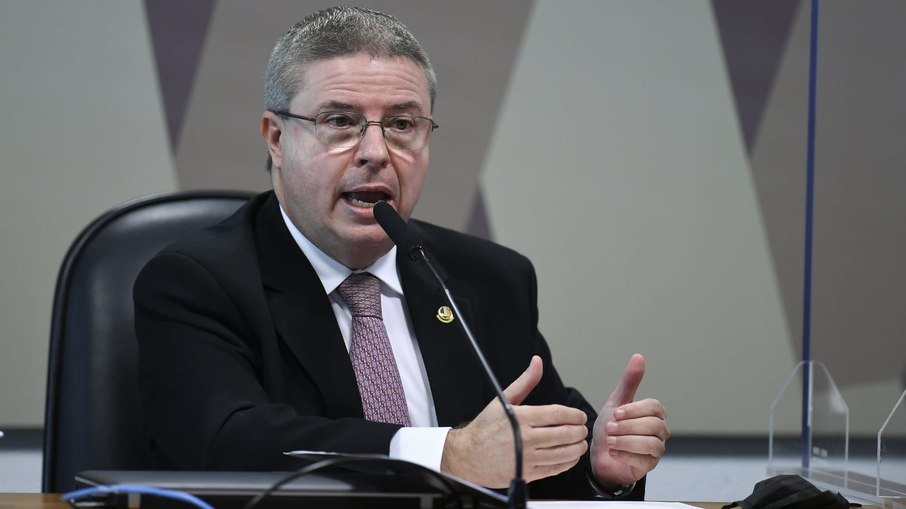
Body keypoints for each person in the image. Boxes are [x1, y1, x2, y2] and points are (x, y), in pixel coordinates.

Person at [135, 6, 669, 500]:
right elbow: (227, 442)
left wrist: (598, 467)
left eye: (402, 125)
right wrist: (447, 455)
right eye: (340, 122)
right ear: (276, 138)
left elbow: (527, 462)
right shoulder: (197, 282)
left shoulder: (488, 279)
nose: (375, 153)